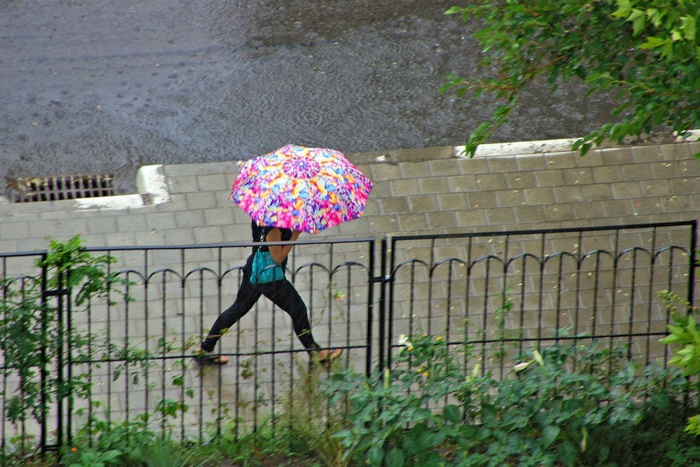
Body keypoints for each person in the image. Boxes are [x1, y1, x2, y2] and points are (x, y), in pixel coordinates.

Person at [195, 220, 342, 366]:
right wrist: (294, 236)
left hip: (254, 270)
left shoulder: (262, 215)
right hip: (269, 279)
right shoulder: (272, 226)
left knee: (238, 309)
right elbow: (277, 257)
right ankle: (316, 353)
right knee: (298, 310)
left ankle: (205, 348)